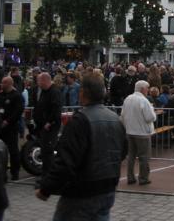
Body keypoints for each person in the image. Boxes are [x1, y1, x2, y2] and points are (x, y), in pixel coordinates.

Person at [36, 74, 128, 220]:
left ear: (83, 92)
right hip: (108, 187)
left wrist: (46, 189)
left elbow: (66, 160)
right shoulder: (115, 119)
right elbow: (122, 151)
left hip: (82, 191)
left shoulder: (80, 120)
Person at [120, 80, 156, 185]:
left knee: (131, 156)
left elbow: (122, 115)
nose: (148, 90)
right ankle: (143, 178)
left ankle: (130, 177)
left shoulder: (127, 98)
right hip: (142, 133)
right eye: (147, 88)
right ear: (143, 89)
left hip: (130, 131)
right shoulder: (144, 100)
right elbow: (150, 117)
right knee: (144, 156)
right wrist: (153, 110)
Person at [0, 76, 24, 181]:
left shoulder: (17, 96)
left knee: (13, 150)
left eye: (4, 83)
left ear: (10, 84)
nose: (1, 84)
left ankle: (15, 172)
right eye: (1, 82)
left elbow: (18, 111)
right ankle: (2, 172)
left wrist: (8, 121)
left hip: (11, 127)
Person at [33, 72, 62, 176]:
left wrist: (50, 122)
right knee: (44, 151)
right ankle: (45, 174)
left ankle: (49, 176)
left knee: (48, 151)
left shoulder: (54, 92)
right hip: (43, 126)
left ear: (44, 80)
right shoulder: (44, 92)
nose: (38, 83)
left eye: (39, 81)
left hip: (50, 127)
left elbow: (56, 109)